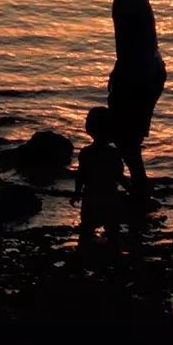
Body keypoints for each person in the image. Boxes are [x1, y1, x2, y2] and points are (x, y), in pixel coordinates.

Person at [83, 0, 165, 203]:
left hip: (140, 76)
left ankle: (139, 188)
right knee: (128, 136)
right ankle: (138, 186)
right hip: (147, 71)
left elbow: (129, 46)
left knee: (126, 137)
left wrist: (118, 79)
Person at [71, 106, 126, 247]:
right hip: (109, 196)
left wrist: (77, 192)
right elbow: (119, 176)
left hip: (91, 196)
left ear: (89, 129)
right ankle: (115, 257)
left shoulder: (86, 152)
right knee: (113, 231)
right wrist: (131, 189)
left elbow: (81, 175)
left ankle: (83, 256)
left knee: (87, 230)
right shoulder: (114, 154)